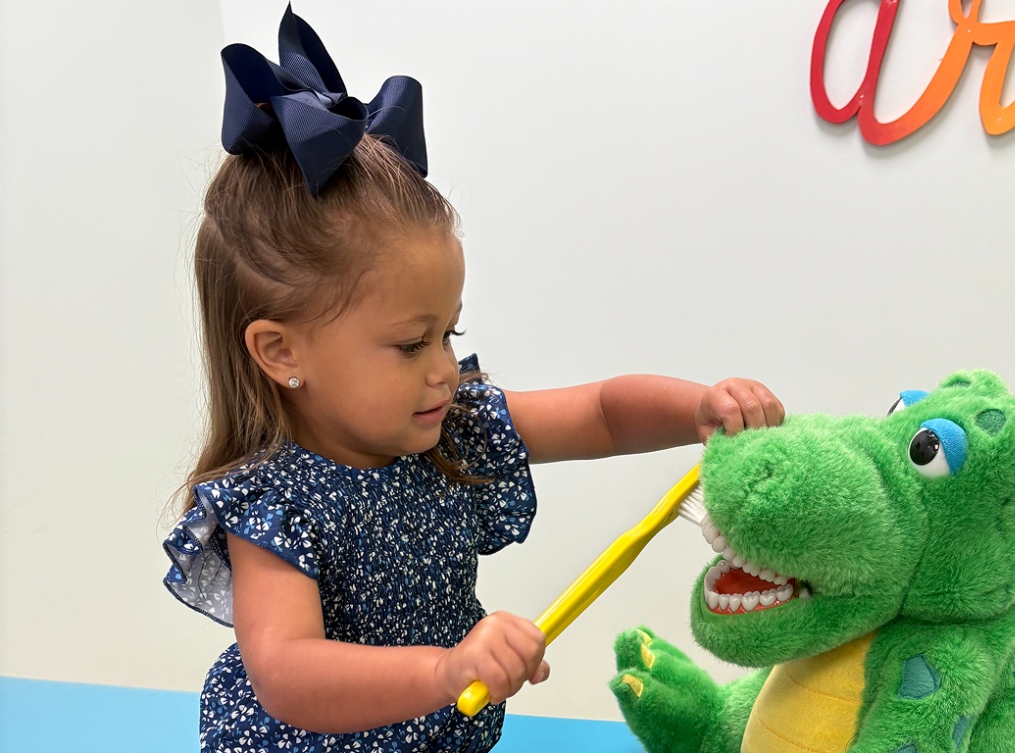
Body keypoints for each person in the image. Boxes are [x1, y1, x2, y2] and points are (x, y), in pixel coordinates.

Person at [163, 7, 785, 753]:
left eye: (448, 332)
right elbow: (287, 672)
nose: (442, 366)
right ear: (279, 351)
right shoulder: (275, 504)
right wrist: (444, 668)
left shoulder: (448, 422)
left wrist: (700, 406)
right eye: (409, 342)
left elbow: (601, 415)